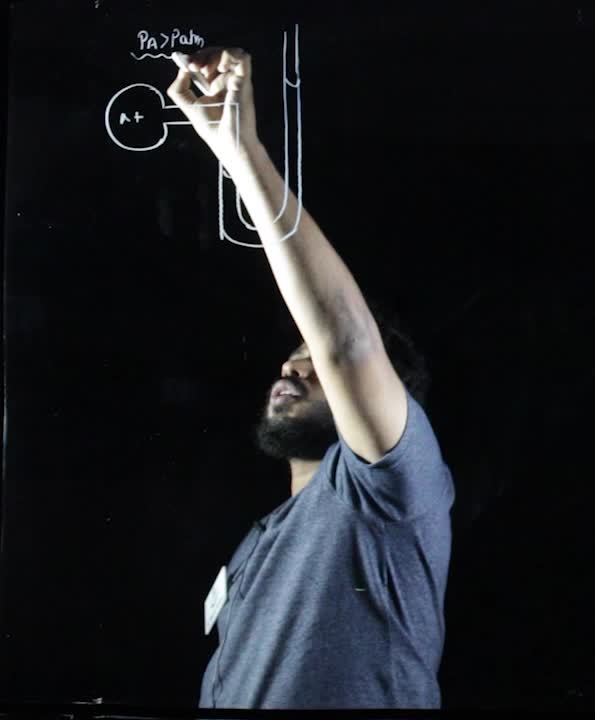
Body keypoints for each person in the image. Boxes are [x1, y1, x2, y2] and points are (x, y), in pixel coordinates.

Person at [167, 46, 454, 709]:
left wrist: (241, 154)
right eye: (294, 355)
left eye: (314, 361)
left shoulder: (392, 492)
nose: (293, 365)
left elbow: (346, 339)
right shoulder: (261, 540)